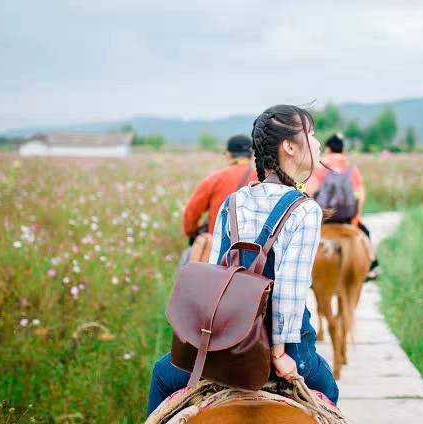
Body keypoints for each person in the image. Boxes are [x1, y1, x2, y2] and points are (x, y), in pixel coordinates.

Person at [147, 105, 339, 417]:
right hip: (287, 344)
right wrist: (280, 352)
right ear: (289, 147)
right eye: (312, 135)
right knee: (328, 389)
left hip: (228, 337)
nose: (317, 144)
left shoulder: (233, 201)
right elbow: (291, 289)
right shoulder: (305, 210)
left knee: (161, 374)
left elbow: (215, 275)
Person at [306, 133, 379, 279]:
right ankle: (371, 267)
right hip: (346, 218)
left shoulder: (319, 167)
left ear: (327, 149)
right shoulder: (351, 169)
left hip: (323, 218)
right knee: (366, 235)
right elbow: (360, 195)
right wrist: (355, 217)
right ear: (343, 149)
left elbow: (309, 192)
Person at [181, 135, 257, 242]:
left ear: (228, 155)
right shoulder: (262, 180)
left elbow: (191, 213)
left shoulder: (215, 179)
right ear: (252, 155)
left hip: (218, 247)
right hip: (256, 249)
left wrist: (193, 232)